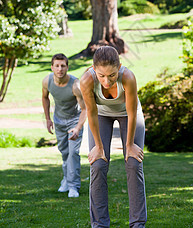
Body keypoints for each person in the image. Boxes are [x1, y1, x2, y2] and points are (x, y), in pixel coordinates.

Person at [80, 46, 147, 227]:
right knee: (99, 164)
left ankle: (138, 224)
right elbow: (91, 113)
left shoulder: (128, 77)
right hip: (101, 115)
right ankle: (99, 224)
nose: (107, 81)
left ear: (120, 67)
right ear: (94, 69)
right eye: (101, 75)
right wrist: (99, 148)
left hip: (128, 114)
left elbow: (132, 113)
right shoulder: (86, 80)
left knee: (133, 163)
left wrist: (130, 144)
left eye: (111, 75)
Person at [42, 53, 87, 198]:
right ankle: (66, 180)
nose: (60, 69)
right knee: (65, 153)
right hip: (59, 121)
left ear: (67, 67)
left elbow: (85, 109)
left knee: (73, 153)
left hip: (74, 121)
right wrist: (48, 119)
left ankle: (74, 186)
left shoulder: (75, 85)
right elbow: (44, 97)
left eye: (63, 66)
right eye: (57, 66)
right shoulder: (47, 81)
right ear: (52, 67)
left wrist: (78, 128)